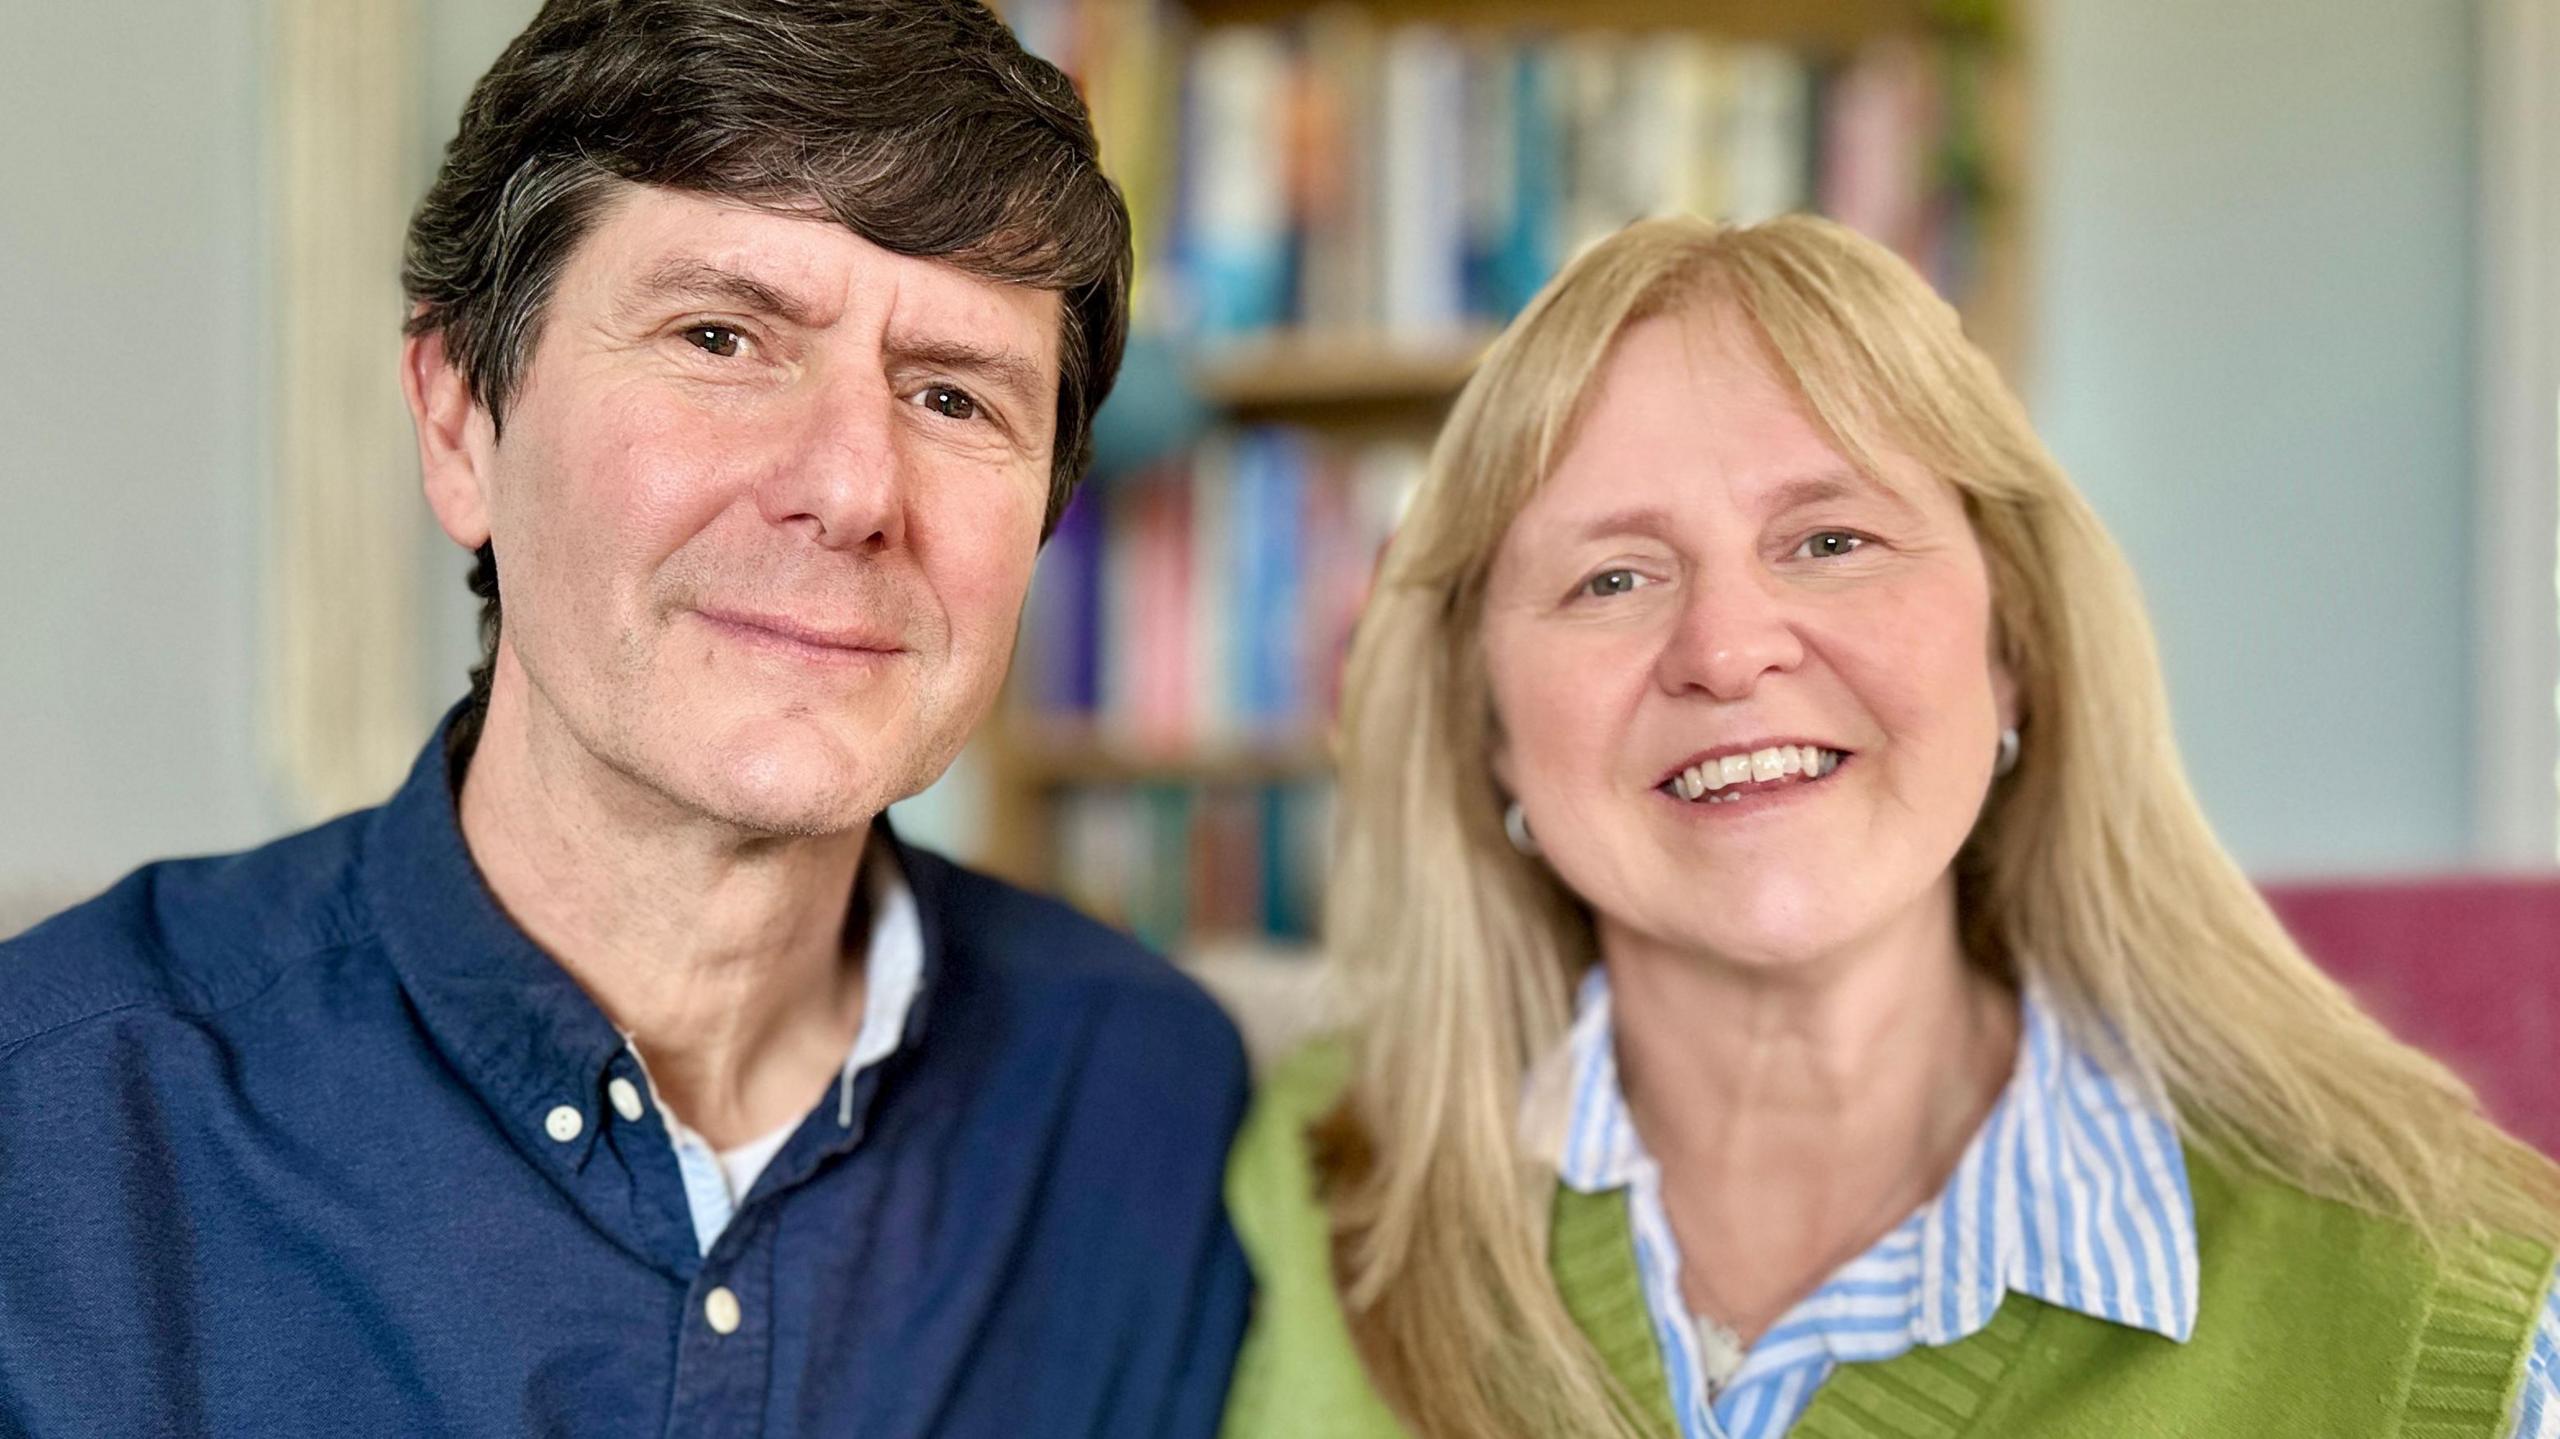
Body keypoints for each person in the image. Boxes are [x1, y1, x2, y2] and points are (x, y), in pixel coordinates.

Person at [0, 2, 1249, 1434]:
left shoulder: (1148, 1102)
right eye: (720, 336)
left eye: (954, 397)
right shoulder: (51, 1136)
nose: (851, 488)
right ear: (463, 419)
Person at [1220, 215, 2560, 1439]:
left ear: (2012, 652)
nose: (1729, 650)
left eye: (1832, 540)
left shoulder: (2451, 1309)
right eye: (1611, 575)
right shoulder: (1294, 1188)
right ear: (1489, 729)